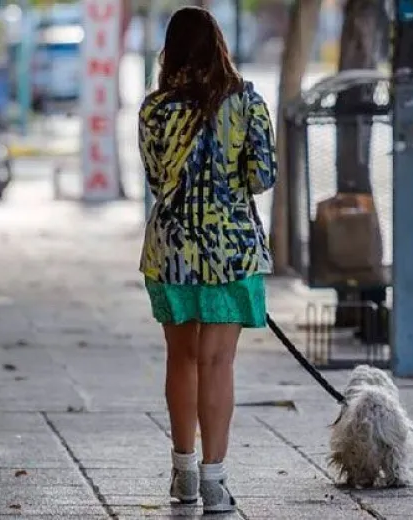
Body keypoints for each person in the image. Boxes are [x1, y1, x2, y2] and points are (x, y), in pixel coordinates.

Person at [137, 7, 277, 514]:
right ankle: (215, 482)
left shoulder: (155, 109)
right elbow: (263, 175)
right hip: (229, 249)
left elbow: (156, 179)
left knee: (182, 358)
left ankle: (183, 475)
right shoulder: (246, 102)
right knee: (218, 361)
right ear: (219, 46)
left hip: (171, 250)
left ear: (170, 50)